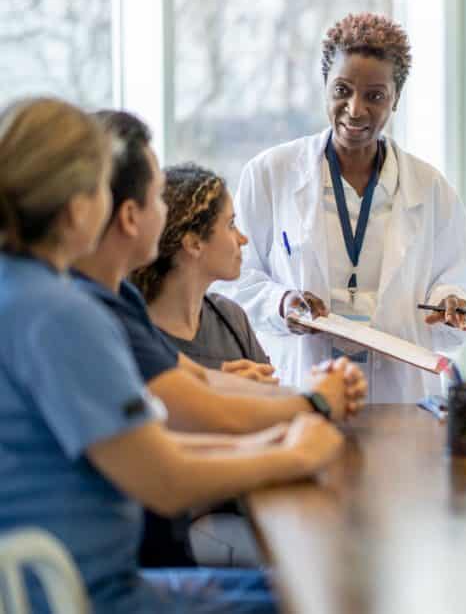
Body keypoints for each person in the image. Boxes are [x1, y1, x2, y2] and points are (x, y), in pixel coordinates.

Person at [0, 96, 346, 613]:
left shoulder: (24, 291)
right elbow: (164, 480)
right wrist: (294, 453)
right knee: (318, 598)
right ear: (77, 211)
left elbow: (147, 446)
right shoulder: (60, 314)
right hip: (89, 596)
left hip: (70, 583)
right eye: (103, 188)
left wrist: (270, 442)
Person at [74, 110, 365, 568]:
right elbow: (169, 458)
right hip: (121, 575)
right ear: (130, 215)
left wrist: (288, 426)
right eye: (158, 199)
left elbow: (192, 394)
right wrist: (307, 417)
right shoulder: (78, 312)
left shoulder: (113, 302)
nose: (166, 211)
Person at [219, 12, 466, 402]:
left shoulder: (431, 190)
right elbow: (233, 280)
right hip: (303, 382)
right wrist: (282, 304)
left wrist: (452, 304)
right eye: (342, 90)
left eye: (375, 96)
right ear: (325, 88)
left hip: (399, 394)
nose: (356, 109)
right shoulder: (269, 174)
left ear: (396, 99)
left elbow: (453, 284)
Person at [132, 163, 273, 378]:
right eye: (231, 224)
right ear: (194, 243)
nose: (243, 239)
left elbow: (276, 400)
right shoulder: (134, 333)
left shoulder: (230, 317)